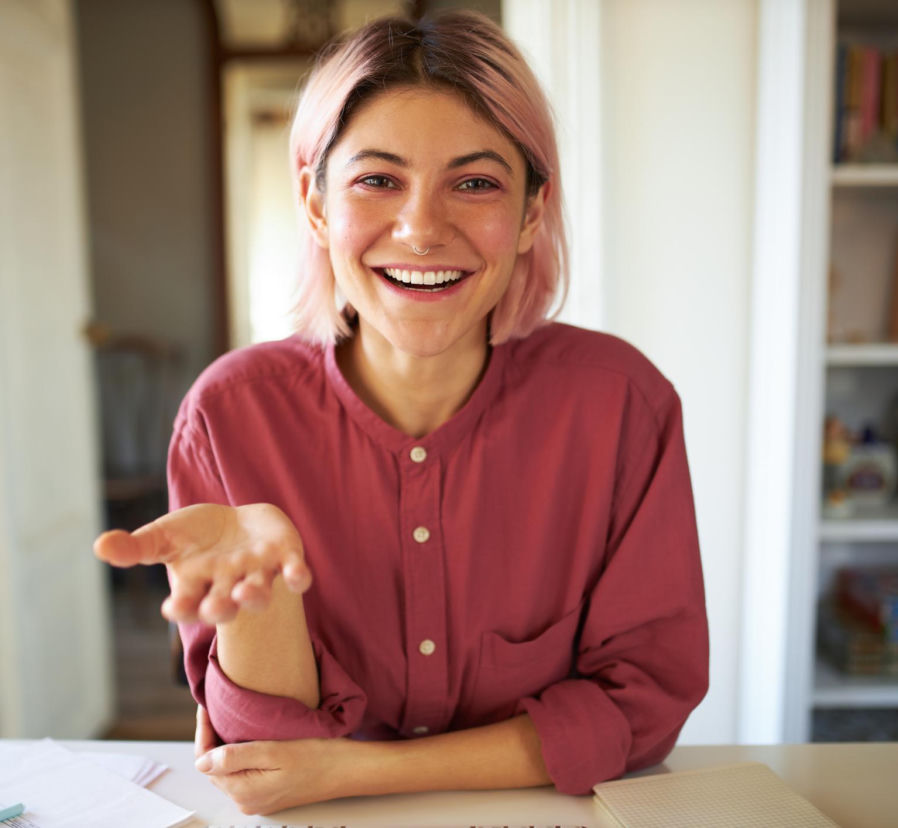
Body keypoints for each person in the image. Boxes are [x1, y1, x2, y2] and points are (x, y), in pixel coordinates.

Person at [94, 10, 708, 817]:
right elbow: (263, 761)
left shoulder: (623, 405)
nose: (422, 229)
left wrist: (355, 773)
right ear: (315, 206)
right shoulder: (228, 415)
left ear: (531, 213)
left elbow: (641, 707)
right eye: (377, 180)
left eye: (476, 182)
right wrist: (265, 599)